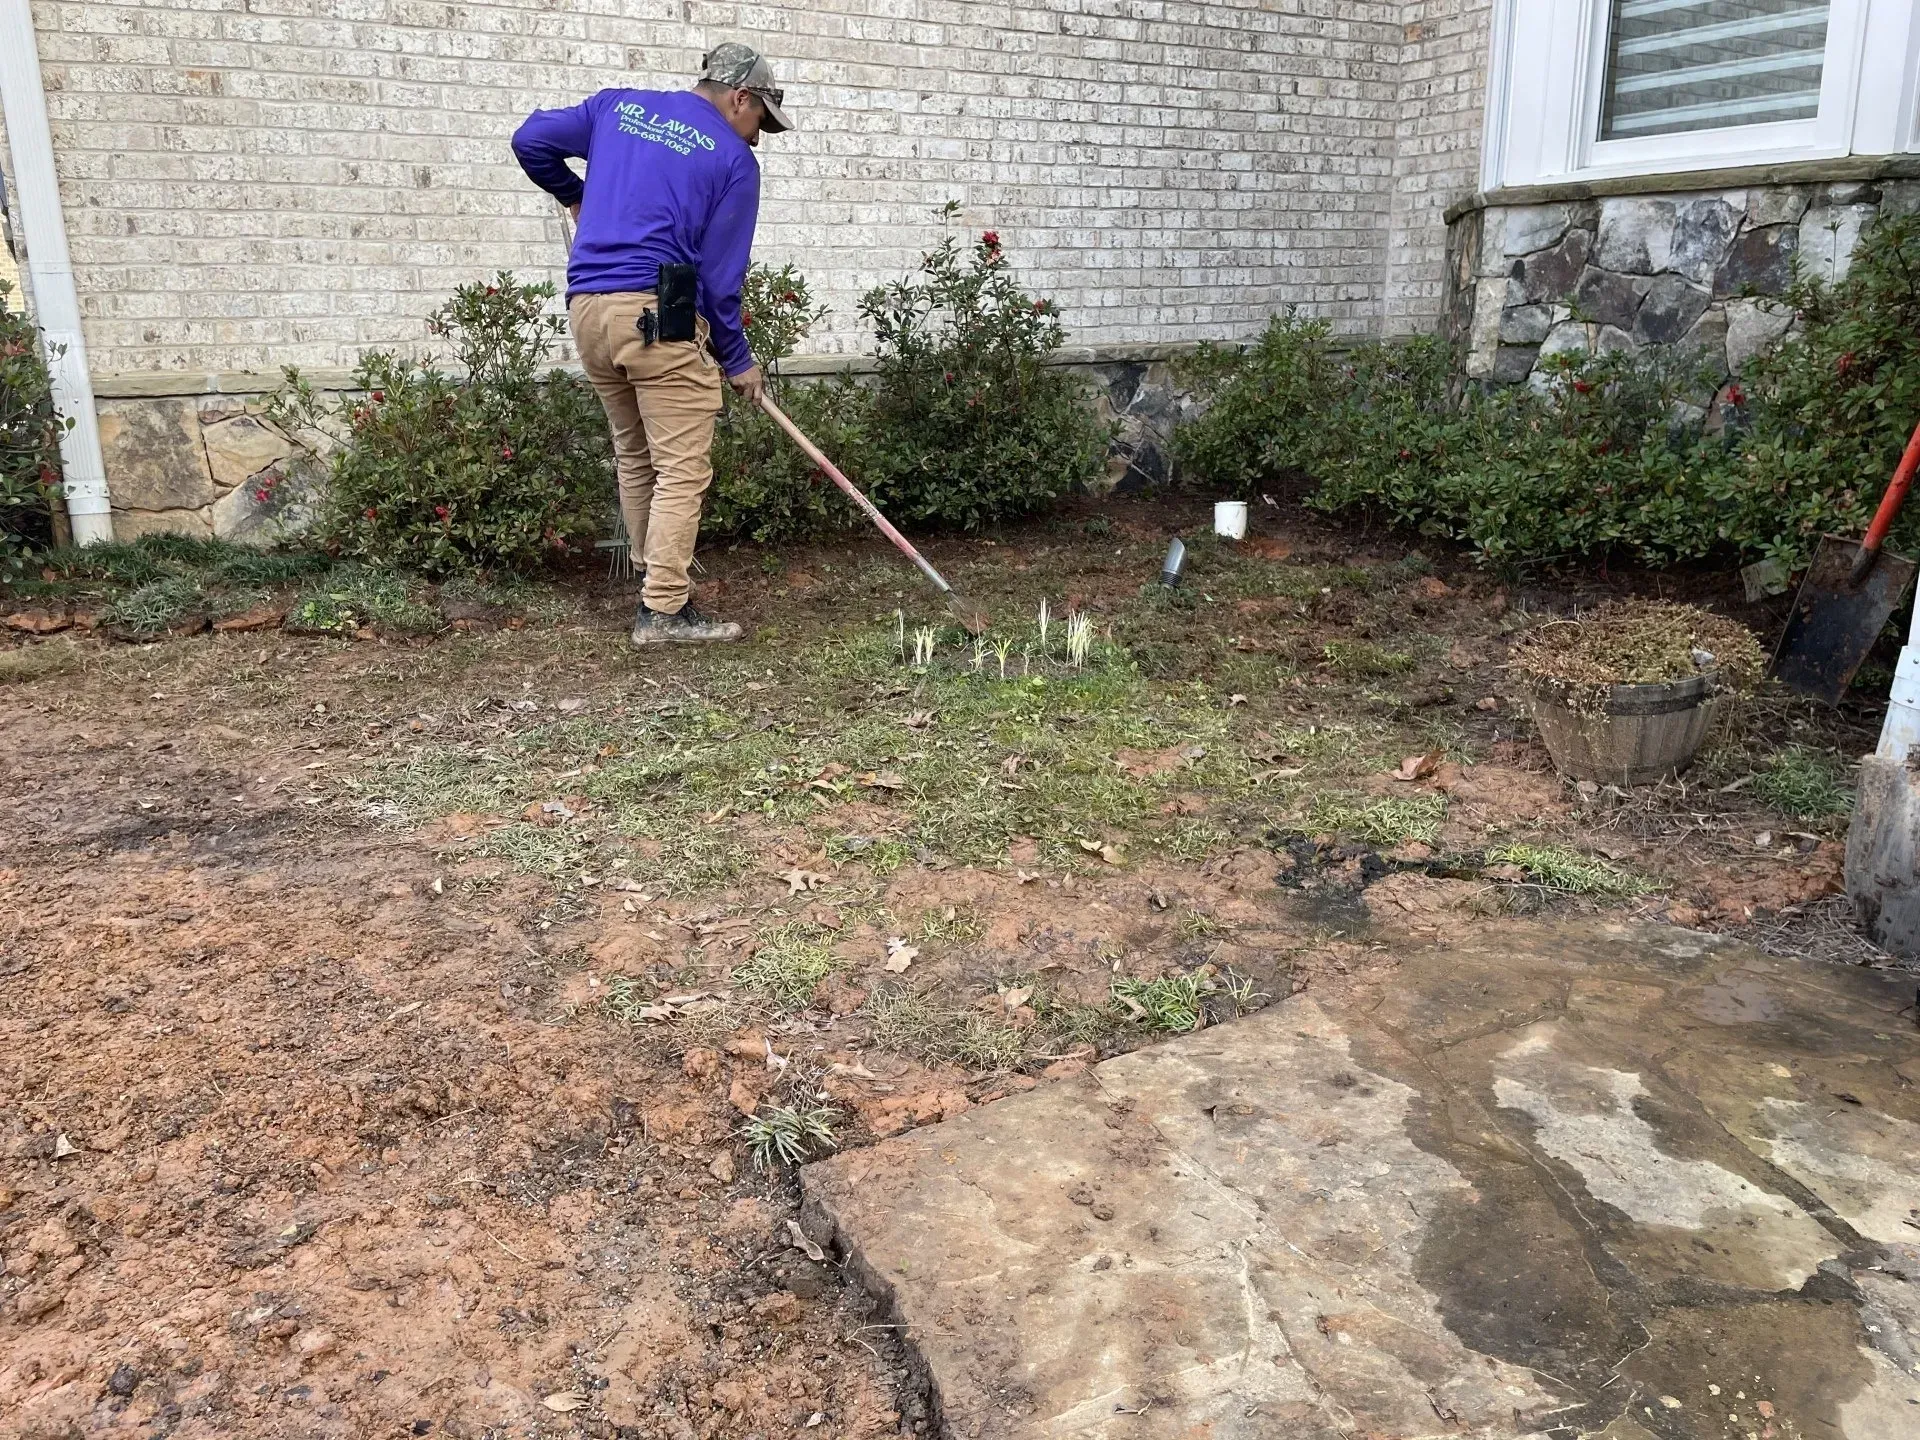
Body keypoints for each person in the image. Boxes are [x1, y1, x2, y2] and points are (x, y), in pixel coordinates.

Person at [512, 44, 794, 645]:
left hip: (589, 313)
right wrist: (739, 362)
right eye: (760, 121)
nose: (759, 137)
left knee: (637, 456)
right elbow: (720, 281)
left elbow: (530, 138)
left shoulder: (617, 109)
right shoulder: (733, 162)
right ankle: (664, 610)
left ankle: (655, 584)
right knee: (682, 468)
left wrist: (573, 193)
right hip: (657, 318)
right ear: (739, 98)